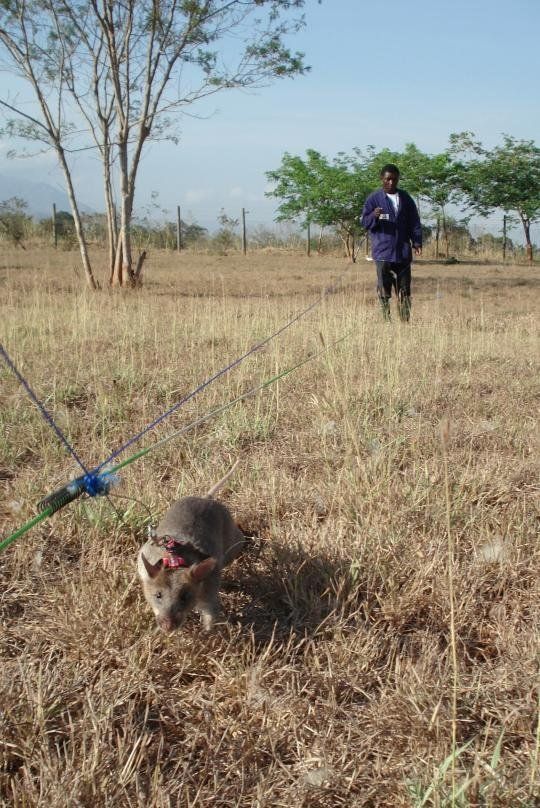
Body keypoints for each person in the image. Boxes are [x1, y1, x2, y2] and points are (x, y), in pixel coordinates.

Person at [361, 164, 422, 321]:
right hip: (383, 253)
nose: (391, 183)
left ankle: (405, 321)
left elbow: (414, 221)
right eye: (388, 179)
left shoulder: (406, 198)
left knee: (404, 290)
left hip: (402, 253)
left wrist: (416, 241)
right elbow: (365, 222)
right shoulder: (374, 199)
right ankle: (386, 320)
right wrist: (373, 215)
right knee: (384, 289)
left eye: (394, 179)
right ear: (382, 179)